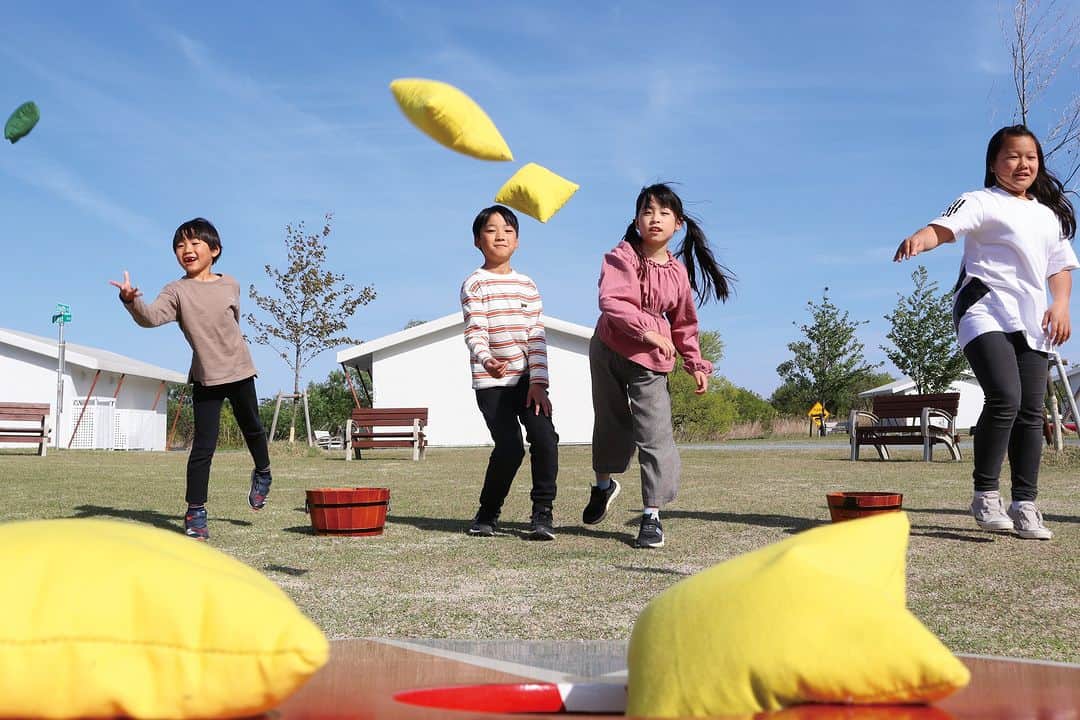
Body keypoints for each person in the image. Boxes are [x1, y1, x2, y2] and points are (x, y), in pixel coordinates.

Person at [894, 125, 1078, 540]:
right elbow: (943, 227)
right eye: (1012, 156)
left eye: (1030, 157)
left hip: (1032, 320)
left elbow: (1060, 268)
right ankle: (985, 495)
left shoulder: (1047, 215)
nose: (1022, 164)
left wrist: (1061, 305)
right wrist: (919, 240)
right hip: (983, 307)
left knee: (1032, 413)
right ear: (994, 164)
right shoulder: (980, 201)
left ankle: (1026, 506)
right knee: (1005, 397)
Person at [584, 183, 734, 548]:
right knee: (609, 423)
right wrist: (648, 332)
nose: (655, 219)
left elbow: (684, 323)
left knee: (654, 435)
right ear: (636, 220)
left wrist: (695, 362)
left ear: (678, 224)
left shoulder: (678, 273)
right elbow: (613, 301)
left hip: (652, 362)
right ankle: (603, 487)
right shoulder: (622, 255)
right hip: (609, 347)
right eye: (647, 212)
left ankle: (651, 515)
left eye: (664, 213)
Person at [110, 218, 273, 541]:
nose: (187, 249)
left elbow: (231, 324)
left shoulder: (231, 284)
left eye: (195, 243)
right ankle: (195, 511)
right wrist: (131, 301)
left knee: (252, 427)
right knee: (203, 447)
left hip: (240, 369)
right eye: (180, 245)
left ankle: (264, 472)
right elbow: (152, 317)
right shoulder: (176, 291)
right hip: (205, 377)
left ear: (214, 250)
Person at [460, 205, 559, 540]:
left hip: (528, 381)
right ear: (477, 240)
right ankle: (487, 514)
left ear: (517, 241)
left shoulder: (527, 285)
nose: (500, 235)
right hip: (492, 383)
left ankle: (542, 515)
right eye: (491, 229)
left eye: (508, 230)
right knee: (510, 447)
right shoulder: (475, 283)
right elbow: (475, 330)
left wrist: (539, 383)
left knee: (545, 438)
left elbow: (536, 336)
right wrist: (487, 359)